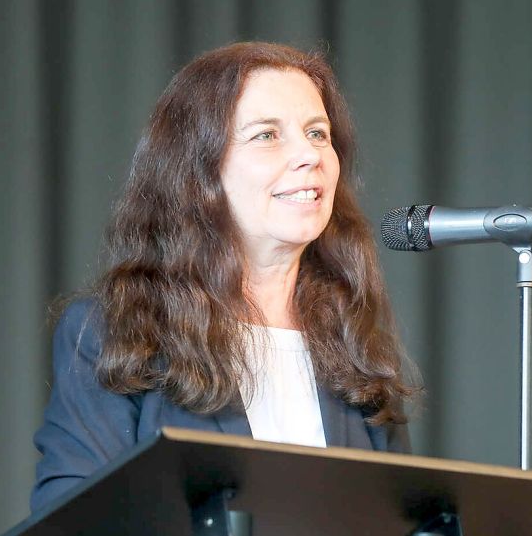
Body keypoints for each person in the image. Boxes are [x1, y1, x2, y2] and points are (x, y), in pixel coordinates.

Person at [30, 42, 419, 512]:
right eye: (266, 136)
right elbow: (72, 519)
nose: (309, 155)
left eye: (318, 133)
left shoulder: (350, 340)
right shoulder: (114, 333)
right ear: (198, 172)